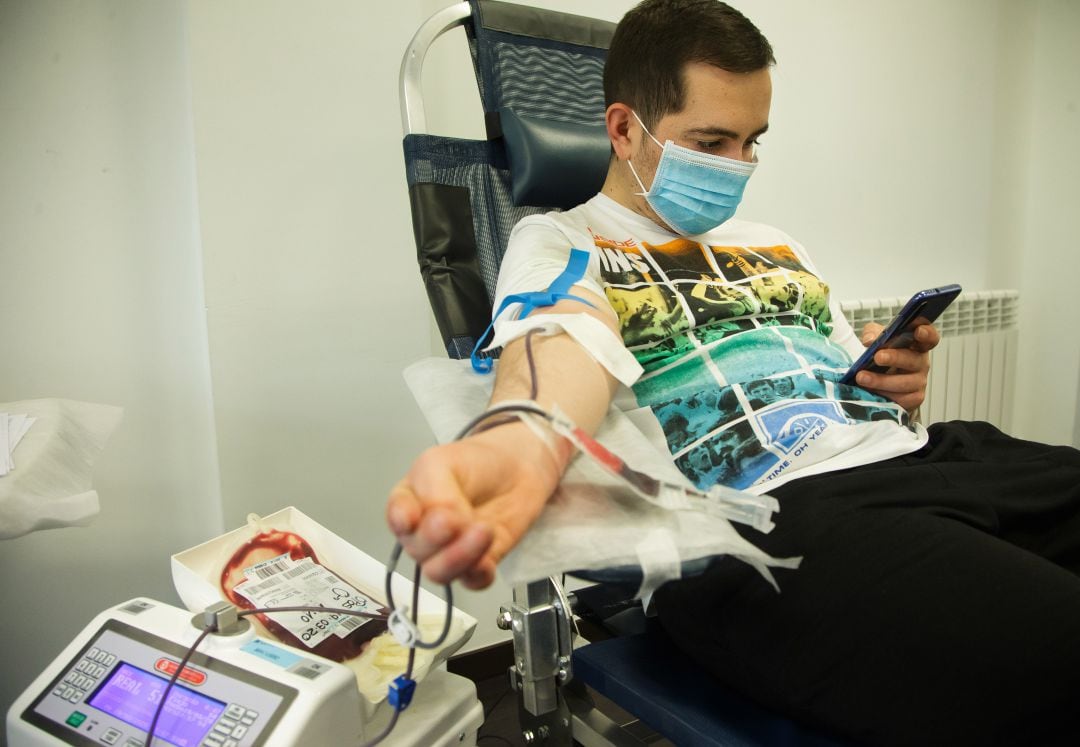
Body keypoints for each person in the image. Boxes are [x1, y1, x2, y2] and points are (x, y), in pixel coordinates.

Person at [387, 1, 1080, 744]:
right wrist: (514, 449)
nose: (737, 166)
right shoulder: (564, 241)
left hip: (940, 460)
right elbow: (562, 350)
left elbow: (851, 383)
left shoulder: (775, 243)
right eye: (710, 141)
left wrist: (895, 381)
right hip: (780, 519)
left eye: (752, 142)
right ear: (623, 129)